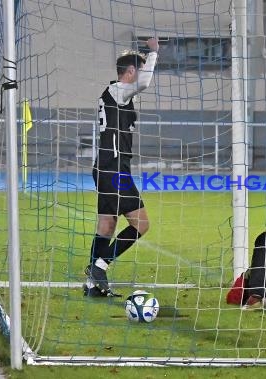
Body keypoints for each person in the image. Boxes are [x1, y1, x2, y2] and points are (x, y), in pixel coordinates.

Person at [83, 38, 159, 297]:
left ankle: (92, 285)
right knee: (142, 224)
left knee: (106, 225)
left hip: (106, 168)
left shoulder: (114, 95)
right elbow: (145, 83)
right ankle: (100, 266)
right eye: (139, 69)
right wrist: (154, 53)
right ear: (130, 72)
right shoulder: (118, 91)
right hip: (115, 171)